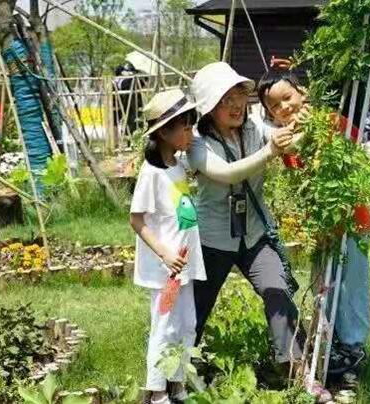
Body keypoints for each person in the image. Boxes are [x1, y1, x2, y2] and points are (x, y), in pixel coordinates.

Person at [256, 68, 370, 378]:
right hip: (321, 225)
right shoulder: (287, 142)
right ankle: (334, 343)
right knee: (326, 284)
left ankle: (355, 347)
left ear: (303, 93)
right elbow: (301, 184)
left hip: (351, 219)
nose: (284, 108)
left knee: (351, 283)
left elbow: (352, 155)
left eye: (287, 97)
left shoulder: (329, 121)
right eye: (274, 107)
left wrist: (313, 128)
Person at [130, 89, 206, 404]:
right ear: (164, 132)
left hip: (184, 262)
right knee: (164, 325)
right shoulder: (151, 173)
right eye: (185, 127)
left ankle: (178, 384)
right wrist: (164, 253)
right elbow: (137, 219)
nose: (191, 133)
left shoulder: (177, 164)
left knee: (187, 323)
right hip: (167, 268)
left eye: (191, 125)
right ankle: (157, 391)